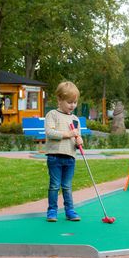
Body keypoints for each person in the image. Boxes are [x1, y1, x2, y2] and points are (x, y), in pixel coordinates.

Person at [44, 81, 83, 222]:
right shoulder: (52, 115)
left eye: (75, 102)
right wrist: (69, 134)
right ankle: (52, 211)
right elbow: (50, 133)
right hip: (55, 157)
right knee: (54, 185)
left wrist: (79, 142)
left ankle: (70, 211)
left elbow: (77, 136)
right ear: (59, 100)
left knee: (67, 186)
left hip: (70, 157)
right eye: (69, 102)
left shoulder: (75, 119)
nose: (73, 105)